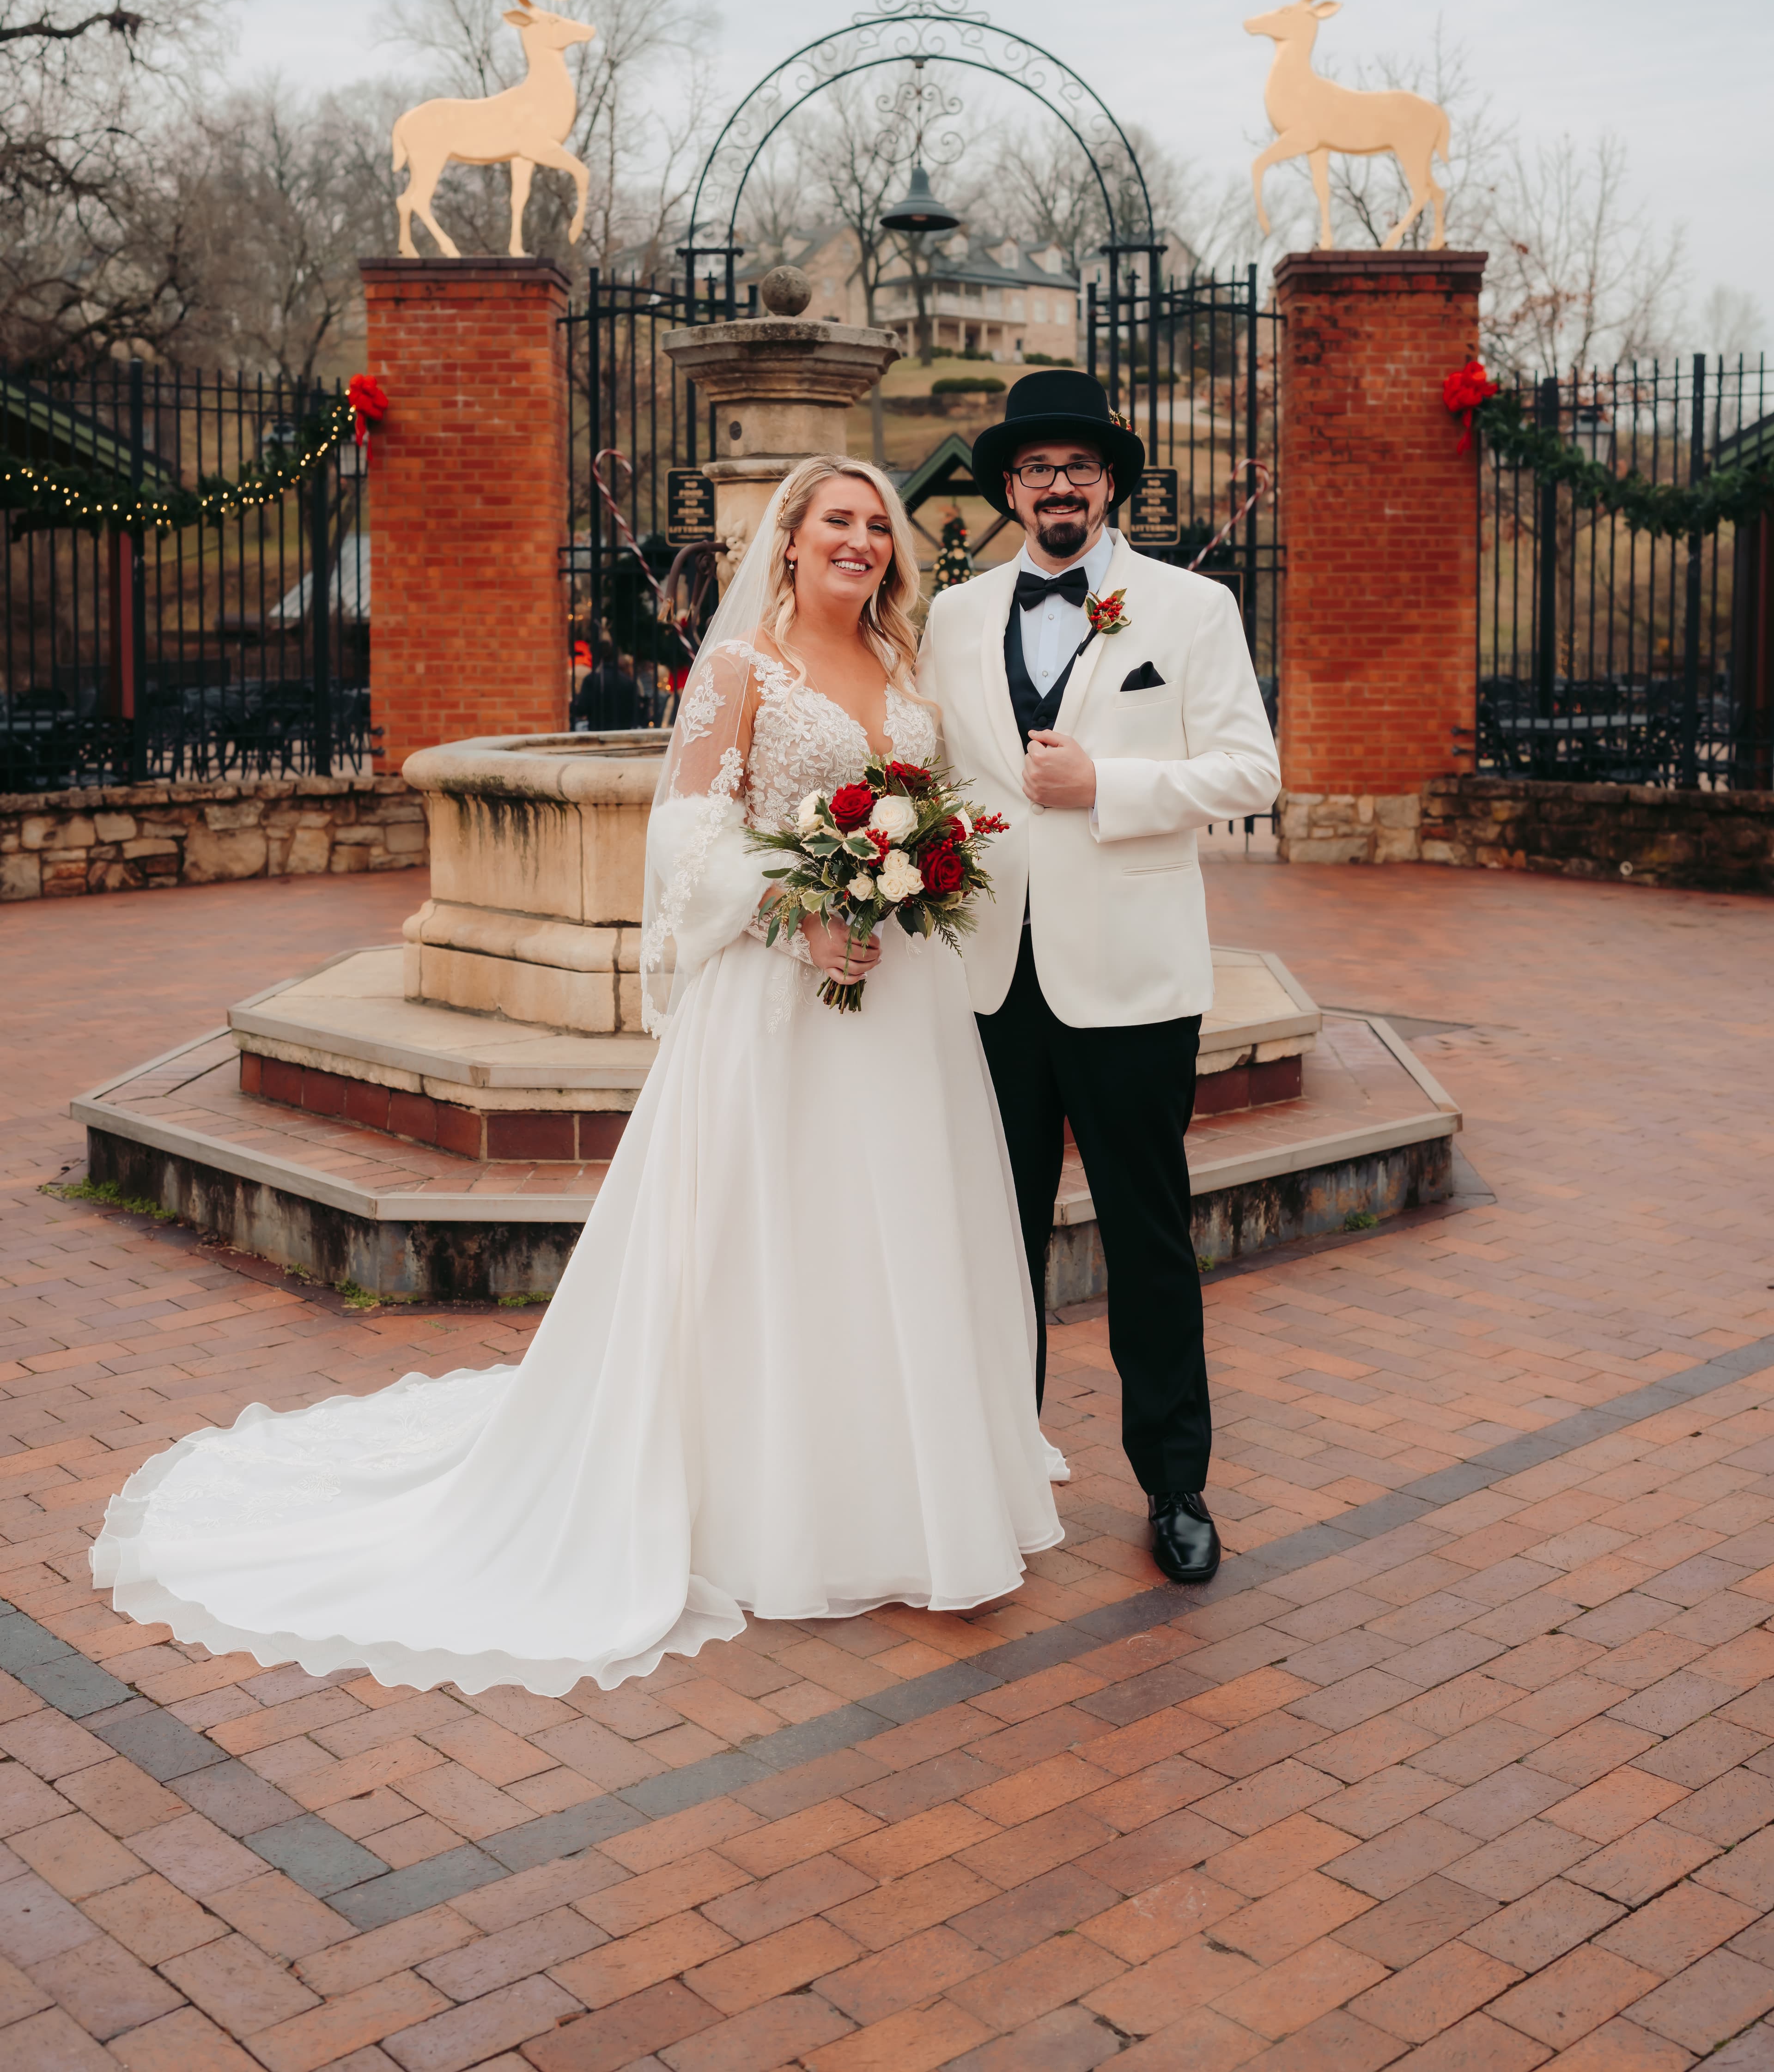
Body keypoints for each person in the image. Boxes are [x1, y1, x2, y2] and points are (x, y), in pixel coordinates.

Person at [91, 457, 1059, 1697]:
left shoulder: (910, 666)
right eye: (839, 520)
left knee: (896, 1231)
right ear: (791, 537)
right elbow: (686, 833)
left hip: (900, 999)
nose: (861, 540)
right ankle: (772, 1503)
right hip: (783, 995)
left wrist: (917, 871)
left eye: (878, 524)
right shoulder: (740, 668)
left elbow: (941, 805)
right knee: (777, 1234)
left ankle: (909, 1485)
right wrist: (798, 907)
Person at [920, 368, 1281, 1585]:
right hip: (987, 975)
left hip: (1131, 978)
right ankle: (998, 1464)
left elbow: (1249, 771)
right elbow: (936, 772)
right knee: (989, 1234)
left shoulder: (1189, 608)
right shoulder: (955, 616)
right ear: (1010, 487)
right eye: (1037, 467)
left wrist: (1111, 790)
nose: (1058, 483)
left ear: (1112, 481)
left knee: (1149, 1234)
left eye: (1079, 465)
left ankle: (1175, 1481)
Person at [573, 634, 650, 730]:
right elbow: (636, 711)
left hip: (598, 733)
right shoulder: (628, 681)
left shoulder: (591, 680)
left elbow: (582, 709)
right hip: (624, 732)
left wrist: (572, 706)